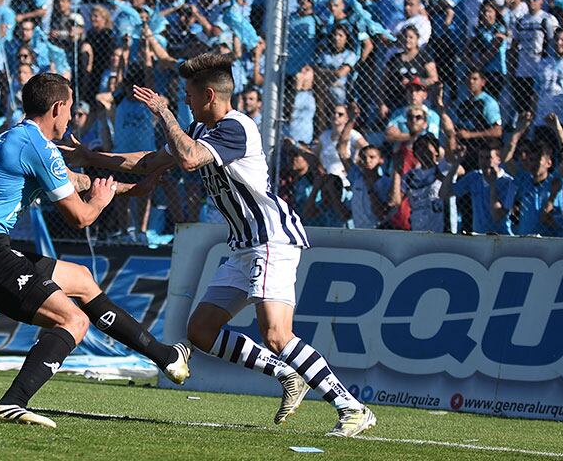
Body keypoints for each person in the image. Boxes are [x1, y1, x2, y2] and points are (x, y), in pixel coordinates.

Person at [64, 54, 375, 437]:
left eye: (189, 96)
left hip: (269, 240)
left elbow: (190, 159)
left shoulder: (236, 127)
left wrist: (164, 113)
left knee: (277, 334)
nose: (185, 103)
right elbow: (149, 161)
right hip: (244, 245)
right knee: (201, 331)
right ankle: (284, 373)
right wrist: (90, 157)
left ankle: (352, 407)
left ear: (209, 95)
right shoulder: (200, 127)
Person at [0, 73, 190, 428]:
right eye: (70, 109)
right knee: (73, 320)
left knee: (82, 280)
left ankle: (165, 356)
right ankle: (12, 402)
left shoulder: (21, 139)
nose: (72, 118)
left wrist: (130, 189)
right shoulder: (37, 147)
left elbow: (80, 182)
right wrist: (103, 201)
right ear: (57, 108)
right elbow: (81, 216)